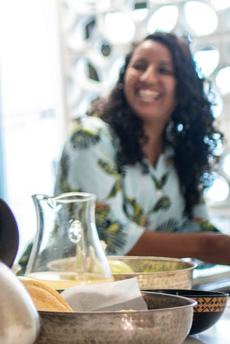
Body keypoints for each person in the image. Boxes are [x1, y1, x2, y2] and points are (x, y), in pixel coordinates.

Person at [55, 31, 230, 263]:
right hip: (62, 292)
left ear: (184, 88)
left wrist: (212, 244)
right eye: (139, 66)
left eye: (164, 70)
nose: (148, 78)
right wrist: (207, 245)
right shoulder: (91, 138)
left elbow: (196, 227)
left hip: (149, 295)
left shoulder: (178, 149)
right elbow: (107, 237)